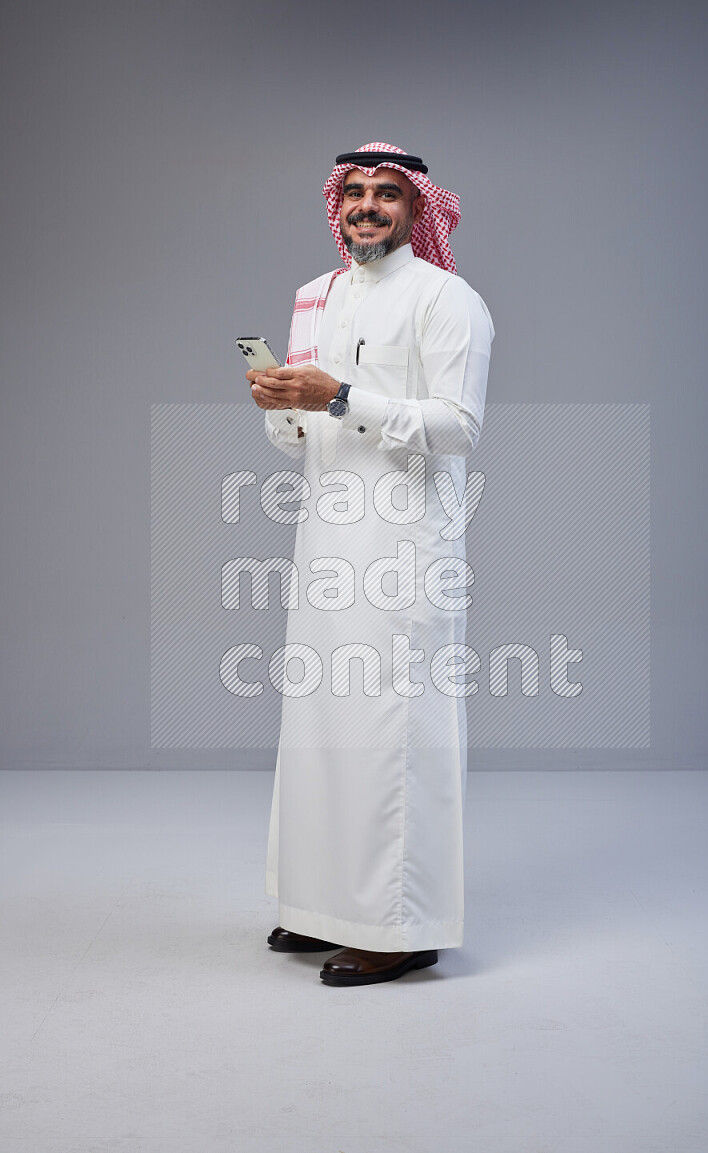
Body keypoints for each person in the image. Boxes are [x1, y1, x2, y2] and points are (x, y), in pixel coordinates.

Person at [248, 142, 494, 986]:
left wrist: (339, 397)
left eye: (387, 194)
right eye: (353, 192)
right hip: (325, 542)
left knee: (393, 728)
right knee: (323, 726)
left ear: (417, 209)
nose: (366, 207)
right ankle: (323, 908)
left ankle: (401, 926)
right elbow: (299, 434)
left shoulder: (446, 297)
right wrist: (280, 402)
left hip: (404, 547)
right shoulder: (315, 297)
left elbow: (460, 425)